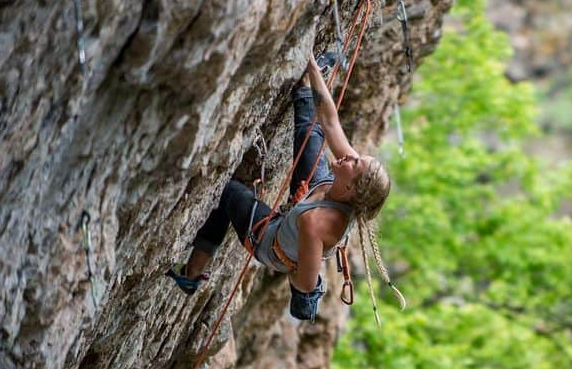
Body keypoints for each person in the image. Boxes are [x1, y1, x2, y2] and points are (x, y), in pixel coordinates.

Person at [167, 52, 404, 322]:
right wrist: (312, 65)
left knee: (227, 192)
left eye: (355, 163)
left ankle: (192, 274)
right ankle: (304, 85)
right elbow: (330, 121)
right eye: (358, 157)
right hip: (317, 194)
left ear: (352, 188)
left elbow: (303, 284)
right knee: (312, 132)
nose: (350, 156)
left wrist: (299, 217)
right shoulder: (345, 180)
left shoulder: (317, 223)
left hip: (271, 241)